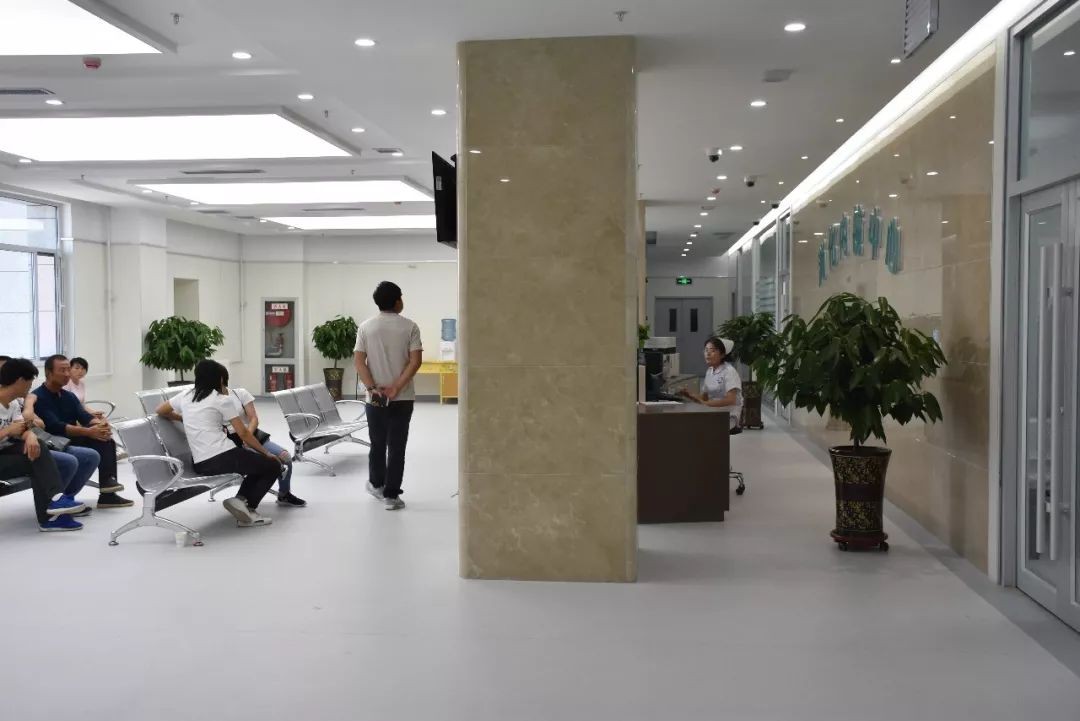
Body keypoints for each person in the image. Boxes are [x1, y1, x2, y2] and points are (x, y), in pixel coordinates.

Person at [156, 360, 282, 527]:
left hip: (201, 463)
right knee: (273, 465)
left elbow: (160, 410)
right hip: (224, 456)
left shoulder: (185, 396)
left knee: (256, 464)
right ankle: (248, 509)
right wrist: (266, 453)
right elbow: (243, 433)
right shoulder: (221, 400)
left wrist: (182, 418)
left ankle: (241, 501)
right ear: (220, 379)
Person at [354, 281, 423, 511]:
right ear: (396, 301)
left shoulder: (366, 327)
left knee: (377, 443)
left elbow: (359, 362)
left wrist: (372, 388)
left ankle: (376, 485)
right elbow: (415, 361)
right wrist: (396, 387)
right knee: (397, 446)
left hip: (375, 398)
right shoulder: (410, 327)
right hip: (403, 398)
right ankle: (391, 496)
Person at [32, 354, 133, 509]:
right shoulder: (39, 397)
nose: (67, 374)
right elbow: (55, 426)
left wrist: (99, 425)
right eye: (62, 370)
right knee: (91, 446)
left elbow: (84, 416)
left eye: (68, 370)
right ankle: (65, 499)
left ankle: (107, 493)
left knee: (105, 439)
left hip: (71, 437)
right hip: (54, 441)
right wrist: (88, 432)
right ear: (48, 373)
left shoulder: (69, 396)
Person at [0, 357, 88, 531]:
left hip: (7, 451)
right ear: (20, 380)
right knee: (38, 459)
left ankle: (55, 506)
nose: (30, 387)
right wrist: (8, 431)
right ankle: (53, 510)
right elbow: (12, 429)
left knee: (38, 449)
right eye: (29, 382)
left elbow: (23, 427)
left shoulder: (13, 404)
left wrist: (30, 436)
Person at [227, 386, 306, 507]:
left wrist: (247, 436)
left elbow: (253, 418)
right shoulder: (212, 400)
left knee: (285, 457)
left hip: (251, 435)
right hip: (230, 441)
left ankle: (284, 494)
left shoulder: (239, 394)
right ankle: (243, 499)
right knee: (262, 463)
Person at [680, 337, 743, 429]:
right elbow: (704, 398)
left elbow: (731, 400)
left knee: (694, 426)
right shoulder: (709, 371)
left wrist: (706, 404)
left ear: (722, 355)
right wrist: (690, 395)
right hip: (713, 411)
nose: (708, 353)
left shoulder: (729, 371)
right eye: (706, 350)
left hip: (729, 415)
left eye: (712, 350)